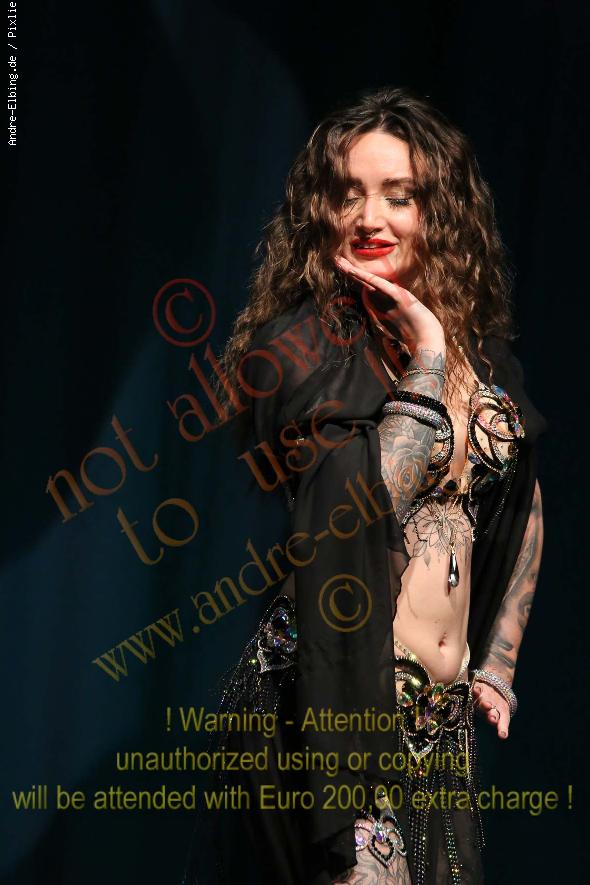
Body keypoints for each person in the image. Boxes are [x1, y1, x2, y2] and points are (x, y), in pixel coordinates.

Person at [181, 86, 547, 885]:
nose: (369, 217)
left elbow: (521, 500)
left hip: (438, 731)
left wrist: (498, 662)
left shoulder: (482, 356)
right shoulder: (301, 346)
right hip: (329, 711)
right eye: (349, 194)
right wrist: (424, 366)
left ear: (441, 212)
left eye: (398, 195)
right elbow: (358, 504)